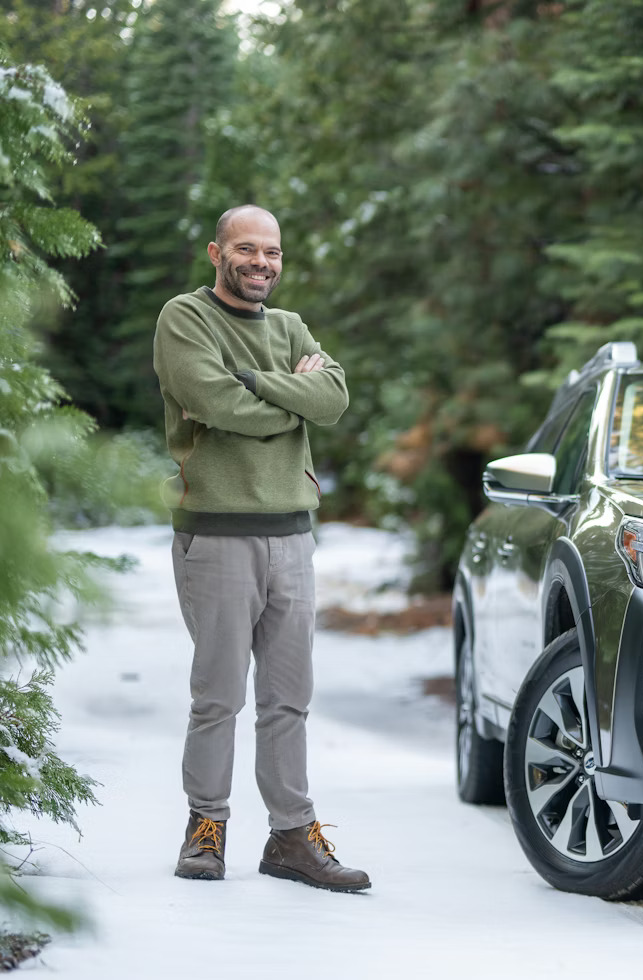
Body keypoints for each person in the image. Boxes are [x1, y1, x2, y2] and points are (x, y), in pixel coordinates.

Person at [152, 205, 369, 892]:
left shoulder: (290, 326)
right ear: (217, 253)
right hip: (216, 531)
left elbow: (333, 398)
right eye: (246, 249)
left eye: (271, 252)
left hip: (292, 536)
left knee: (288, 698)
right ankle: (206, 828)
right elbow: (216, 403)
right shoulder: (185, 318)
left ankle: (290, 837)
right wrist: (290, 396)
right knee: (218, 695)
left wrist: (254, 381)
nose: (260, 263)